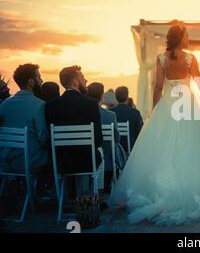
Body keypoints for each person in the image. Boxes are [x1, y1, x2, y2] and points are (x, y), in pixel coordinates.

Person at [109, 25, 200, 226]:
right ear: (179, 38)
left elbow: (158, 86)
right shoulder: (190, 58)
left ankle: (162, 191)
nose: (189, 39)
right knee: (189, 147)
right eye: (187, 35)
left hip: (168, 104)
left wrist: (153, 110)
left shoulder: (161, 58)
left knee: (163, 146)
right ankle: (187, 191)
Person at [45, 65, 104, 196]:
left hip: (61, 163)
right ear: (75, 82)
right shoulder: (90, 104)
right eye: (82, 77)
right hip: (86, 162)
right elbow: (98, 139)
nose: (86, 80)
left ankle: (64, 198)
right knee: (97, 152)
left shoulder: (51, 106)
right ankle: (91, 197)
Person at [0, 64, 48, 173]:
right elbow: (43, 137)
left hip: (7, 161)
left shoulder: (5, 104)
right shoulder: (39, 105)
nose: (41, 80)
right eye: (39, 77)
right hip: (31, 162)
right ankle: (42, 189)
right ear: (31, 82)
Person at [87, 82, 125, 193]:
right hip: (108, 163)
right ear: (101, 96)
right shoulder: (110, 115)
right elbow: (117, 139)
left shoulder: (84, 114)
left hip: (87, 162)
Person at [110, 86, 143, 153]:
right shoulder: (135, 113)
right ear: (127, 97)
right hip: (131, 149)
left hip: (114, 152)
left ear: (116, 98)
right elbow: (140, 132)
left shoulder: (110, 113)